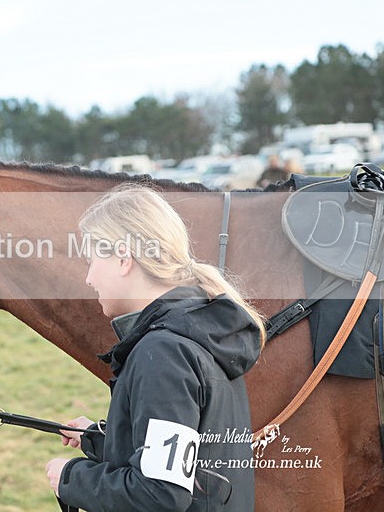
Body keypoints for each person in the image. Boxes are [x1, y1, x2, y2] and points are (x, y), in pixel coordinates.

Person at [45, 185, 264, 511]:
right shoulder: (198, 332)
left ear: (123, 258)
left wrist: (71, 477)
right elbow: (185, 461)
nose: (89, 278)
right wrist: (100, 439)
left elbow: (160, 494)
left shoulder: (164, 353)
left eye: (91, 261)